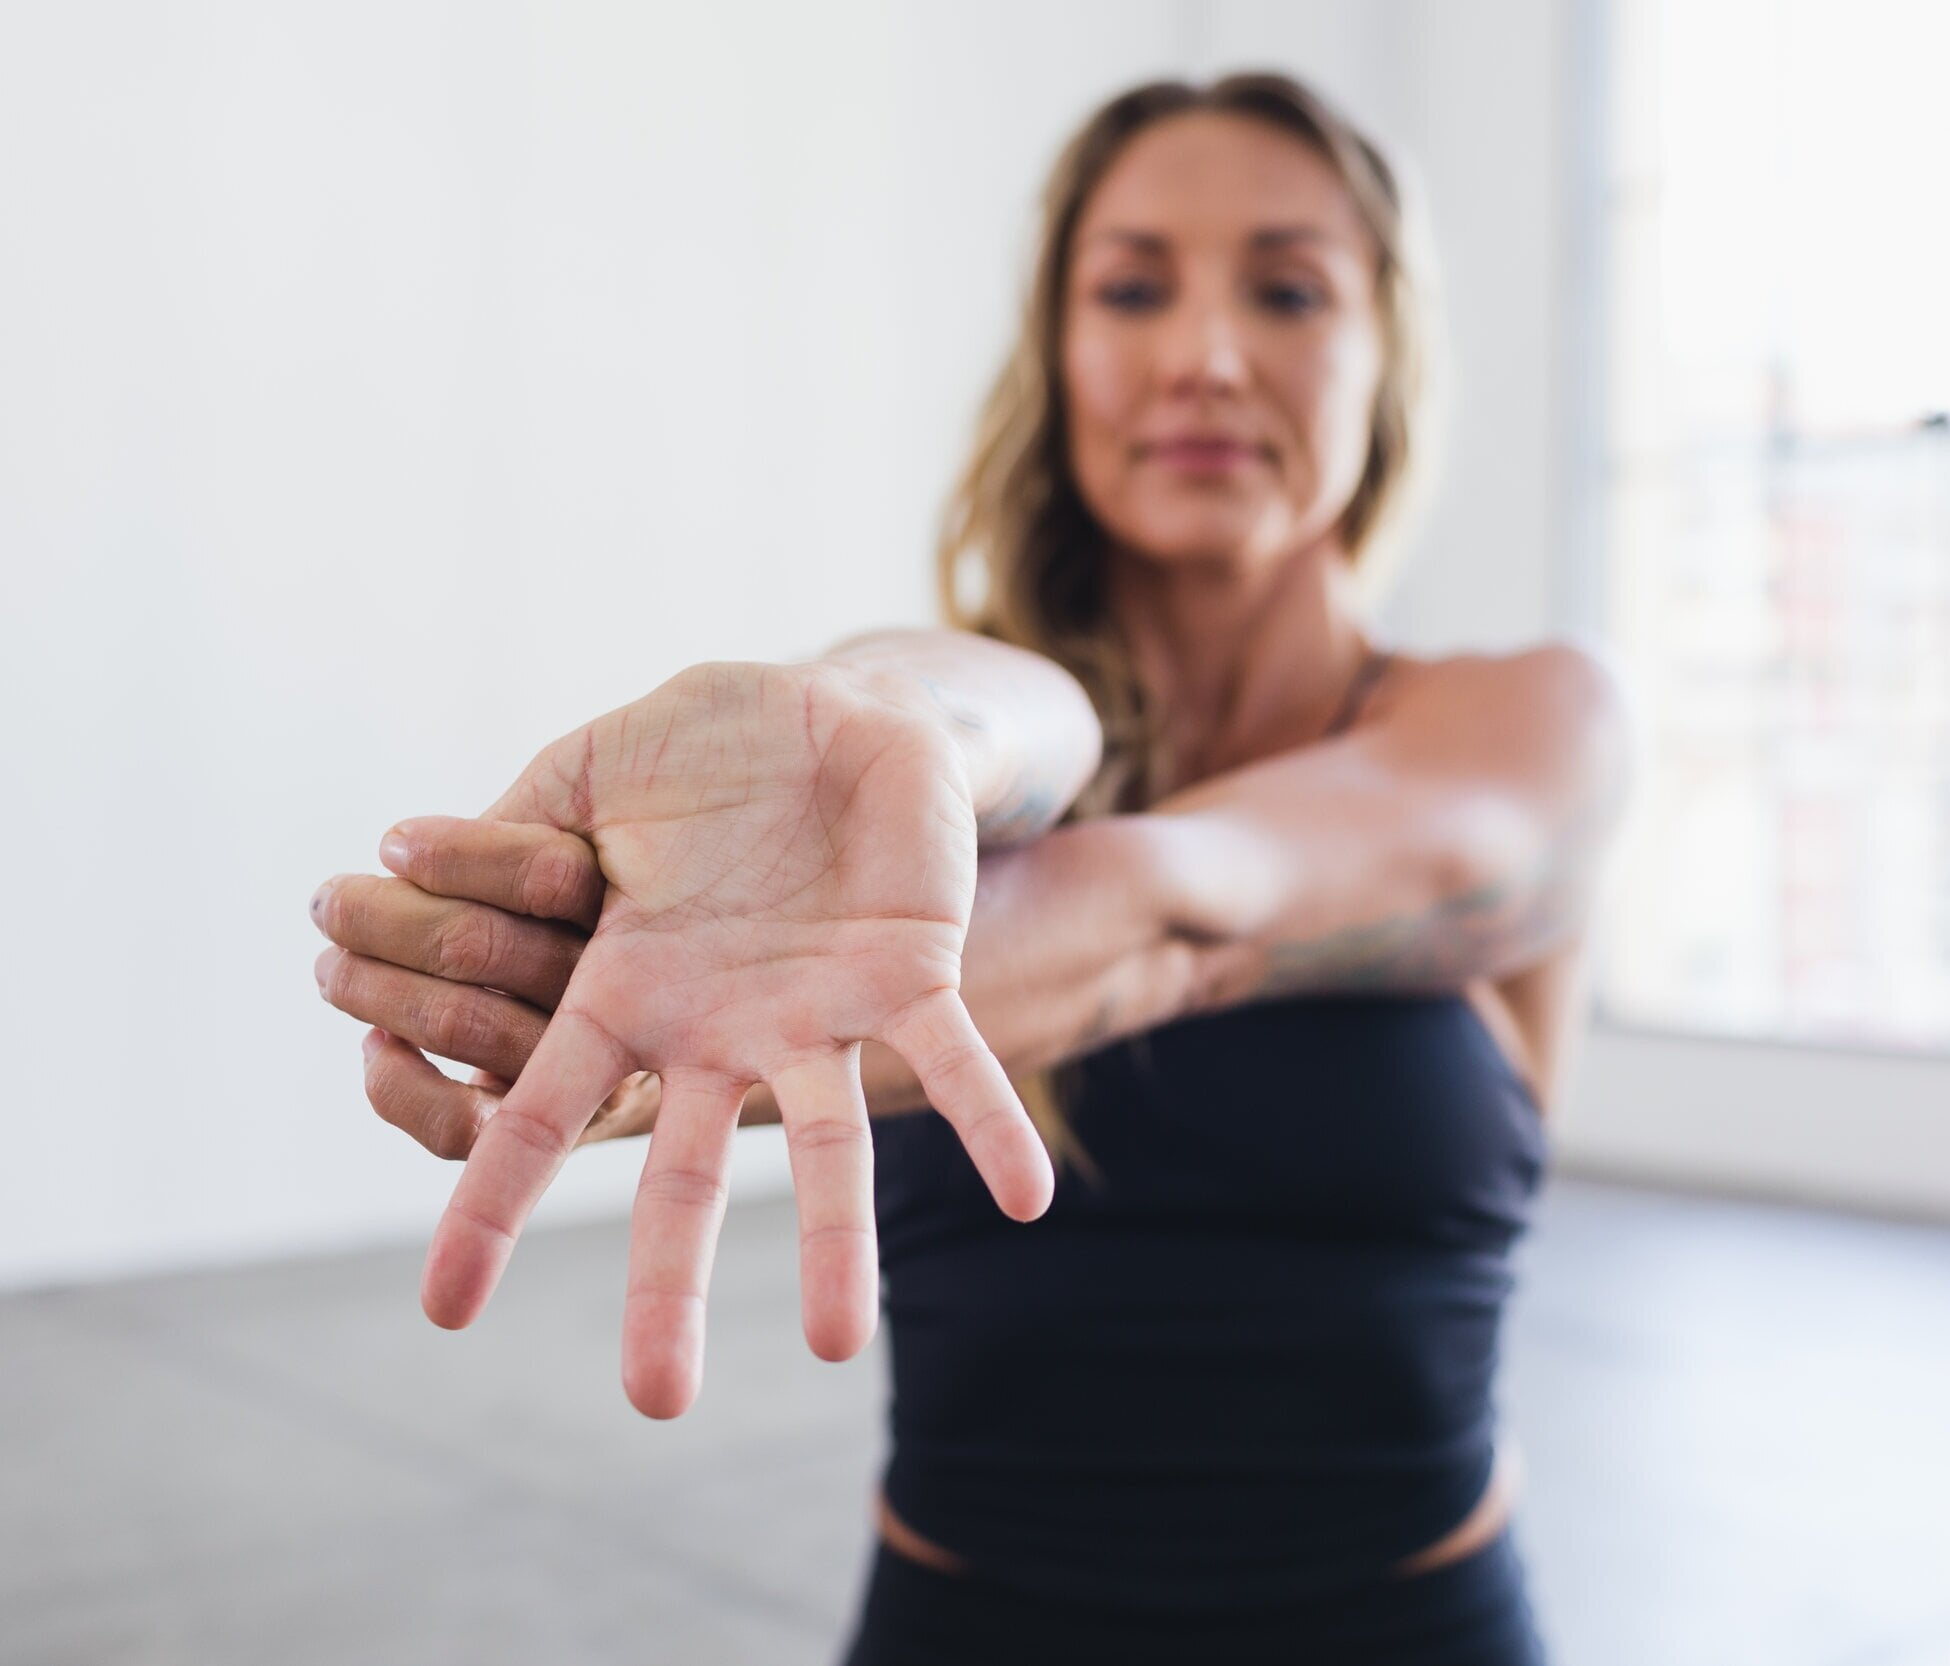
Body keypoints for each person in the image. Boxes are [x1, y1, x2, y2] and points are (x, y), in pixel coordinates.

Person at [308, 71, 1632, 1664]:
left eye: (1286, 289)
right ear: (1060, 354)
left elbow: (1193, 911)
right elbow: (992, 709)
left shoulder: (1526, 725)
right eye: (1133, 286)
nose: (1205, 355)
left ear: (1385, 357)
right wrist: (896, 719)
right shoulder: (927, 780)